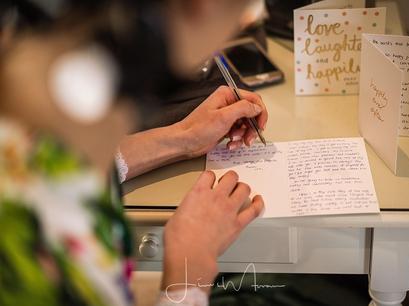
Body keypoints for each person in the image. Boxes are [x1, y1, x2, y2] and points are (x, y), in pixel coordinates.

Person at [0, 0, 267, 305]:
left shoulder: (34, 119)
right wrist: (189, 270)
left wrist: (183, 137)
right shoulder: (31, 237)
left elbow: (73, 163)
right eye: (245, 11)